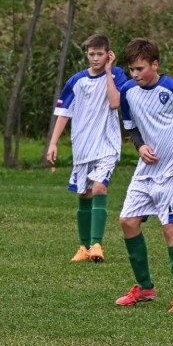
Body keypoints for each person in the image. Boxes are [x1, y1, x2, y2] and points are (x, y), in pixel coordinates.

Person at [115, 37, 173, 314]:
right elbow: (130, 125)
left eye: (140, 69)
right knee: (128, 221)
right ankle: (145, 288)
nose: (135, 74)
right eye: (131, 69)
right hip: (147, 167)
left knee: (169, 226)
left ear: (155, 65)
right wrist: (140, 145)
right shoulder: (127, 91)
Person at [46, 33, 127, 263]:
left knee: (99, 188)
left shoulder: (117, 75)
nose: (96, 58)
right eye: (92, 54)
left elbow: (115, 103)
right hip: (82, 147)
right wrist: (53, 143)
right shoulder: (76, 81)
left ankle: (96, 244)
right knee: (84, 193)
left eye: (100, 54)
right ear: (86, 54)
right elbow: (64, 112)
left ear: (108, 54)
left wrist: (109, 72)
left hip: (107, 145)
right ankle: (83, 247)